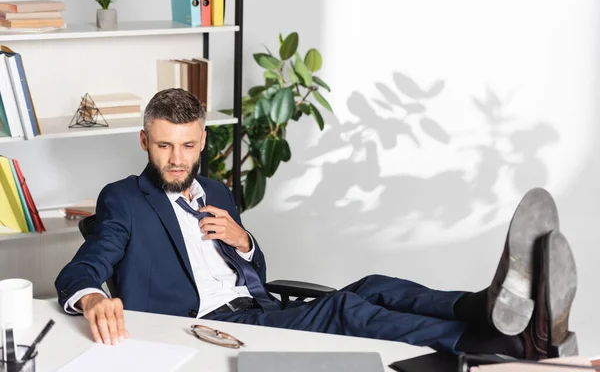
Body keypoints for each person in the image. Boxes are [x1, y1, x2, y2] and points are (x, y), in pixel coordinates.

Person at [55, 88, 578, 360]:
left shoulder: (215, 191)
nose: (176, 158)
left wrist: (244, 242)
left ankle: (487, 306)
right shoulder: (124, 200)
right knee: (346, 308)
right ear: (145, 142)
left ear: (202, 143)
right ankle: (497, 344)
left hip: (257, 307)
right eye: (164, 145)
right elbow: (84, 267)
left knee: (375, 285)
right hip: (211, 328)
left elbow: (256, 268)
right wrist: (94, 298)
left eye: (187, 145)